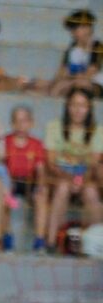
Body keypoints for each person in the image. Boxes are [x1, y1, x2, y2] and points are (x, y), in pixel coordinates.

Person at [44, 87, 103, 252]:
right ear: (67, 106)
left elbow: (93, 163)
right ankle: (51, 242)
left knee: (91, 191)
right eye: (74, 105)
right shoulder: (54, 126)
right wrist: (71, 179)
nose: (78, 110)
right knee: (63, 187)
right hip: (60, 176)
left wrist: (80, 180)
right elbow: (51, 163)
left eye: (82, 105)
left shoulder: (98, 130)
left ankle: (96, 244)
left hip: (86, 177)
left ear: (89, 108)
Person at [3, 106, 49, 251]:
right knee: (3, 195)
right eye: (17, 121)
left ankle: (39, 240)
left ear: (31, 123)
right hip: (10, 180)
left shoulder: (37, 144)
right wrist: (6, 184)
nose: (21, 124)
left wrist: (40, 185)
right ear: (12, 123)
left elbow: (40, 169)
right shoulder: (6, 141)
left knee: (42, 196)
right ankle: (7, 236)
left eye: (24, 120)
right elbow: (1, 165)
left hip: (30, 181)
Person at [49, 9, 103, 98]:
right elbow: (62, 72)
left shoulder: (97, 46)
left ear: (87, 28)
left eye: (75, 29)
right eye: (72, 30)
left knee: (79, 84)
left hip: (96, 85)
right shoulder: (72, 47)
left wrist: (67, 81)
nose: (72, 33)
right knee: (49, 85)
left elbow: (90, 73)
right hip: (73, 82)